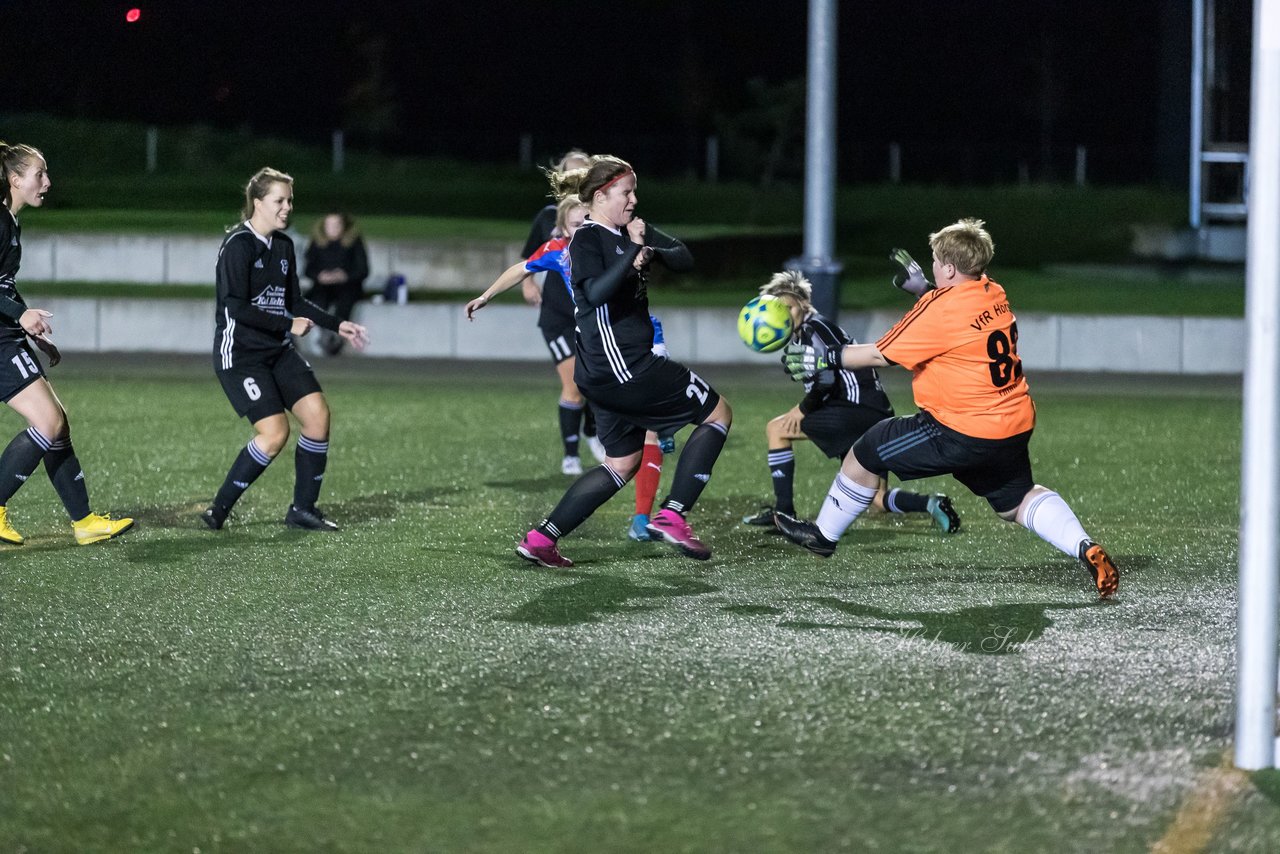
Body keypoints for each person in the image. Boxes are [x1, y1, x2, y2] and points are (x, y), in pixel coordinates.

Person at [776, 218, 1119, 599]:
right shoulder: (994, 292)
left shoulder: (939, 310)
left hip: (959, 429)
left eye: (936, 262)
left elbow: (879, 353)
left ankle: (822, 537)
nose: (933, 267)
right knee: (1016, 502)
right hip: (1012, 424)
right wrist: (924, 289)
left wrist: (824, 358)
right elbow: (959, 318)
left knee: (864, 453)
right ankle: (1085, 547)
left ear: (950, 268)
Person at [517, 155, 732, 566]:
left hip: (604, 372)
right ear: (600, 196)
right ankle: (673, 514)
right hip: (624, 365)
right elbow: (595, 292)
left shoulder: (631, 230)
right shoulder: (587, 238)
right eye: (626, 192)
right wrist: (632, 250)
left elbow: (685, 257)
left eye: (634, 191)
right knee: (717, 414)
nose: (634, 199)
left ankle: (542, 539)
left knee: (621, 462)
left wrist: (648, 245)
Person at [203, 167, 370, 533]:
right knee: (275, 433)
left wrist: (336, 323)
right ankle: (218, 509)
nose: (287, 207)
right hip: (241, 355)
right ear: (258, 203)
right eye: (280, 200)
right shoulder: (237, 246)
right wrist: (287, 325)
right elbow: (235, 307)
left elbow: (294, 301)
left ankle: (302, 509)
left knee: (318, 417)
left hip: (277, 350)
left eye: (290, 200)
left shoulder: (284, 246)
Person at [740, 271, 960, 535]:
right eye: (779, 309)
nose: (784, 314)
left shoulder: (814, 328)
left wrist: (801, 410)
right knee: (876, 498)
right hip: (873, 411)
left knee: (777, 429)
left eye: (788, 307)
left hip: (853, 409)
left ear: (802, 303)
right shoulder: (809, 331)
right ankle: (931, 503)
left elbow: (827, 380)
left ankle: (783, 512)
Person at [0, 141, 134, 546]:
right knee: (49, 422)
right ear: (14, 178)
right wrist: (20, 316)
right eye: (39, 174)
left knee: (57, 424)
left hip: (7, 336)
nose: (47, 182)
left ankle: (84, 521)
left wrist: (29, 329)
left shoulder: (10, 221)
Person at [466, 195, 597, 474]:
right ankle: (572, 454)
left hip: (603, 330)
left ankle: (618, 434)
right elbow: (521, 268)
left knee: (611, 386)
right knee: (575, 387)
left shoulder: (608, 243)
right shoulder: (558, 251)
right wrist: (486, 295)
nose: (584, 227)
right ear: (562, 229)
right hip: (562, 323)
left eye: (588, 220)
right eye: (577, 223)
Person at [521, 149, 606, 467]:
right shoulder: (549, 216)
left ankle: (591, 430)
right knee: (573, 385)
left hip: (592, 316)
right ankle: (571, 455)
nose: (576, 179)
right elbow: (527, 258)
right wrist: (528, 283)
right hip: (557, 316)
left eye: (583, 174)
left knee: (593, 381)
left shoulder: (599, 217)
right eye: (570, 173)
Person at [303, 211, 369, 355]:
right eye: (330, 225)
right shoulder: (317, 243)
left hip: (348, 286)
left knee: (345, 302)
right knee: (317, 300)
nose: (333, 228)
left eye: (337, 224)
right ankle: (325, 332)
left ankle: (337, 335)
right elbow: (308, 269)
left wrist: (344, 276)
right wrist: (321, 276)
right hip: (323, 286)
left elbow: (363, 270)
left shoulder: (353, 242)